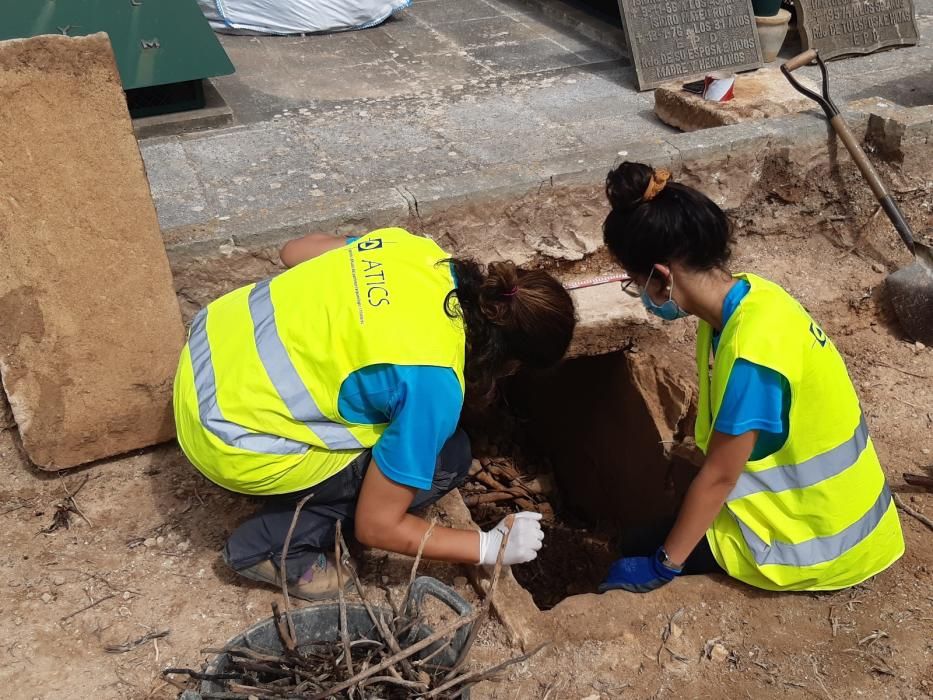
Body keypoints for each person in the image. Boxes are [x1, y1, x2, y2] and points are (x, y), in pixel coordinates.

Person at [173, 227, 576, 599]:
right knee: (449, 459)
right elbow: (376, 525)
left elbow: (293, 252)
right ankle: (274, 546)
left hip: (205, 359)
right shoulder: (432, 384)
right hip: (224, 439)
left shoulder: (416, 250)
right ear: (509, 363)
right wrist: (489, 546)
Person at [598, 163, 904, 594]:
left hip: (818, 544)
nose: (642, 296)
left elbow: (721, 476)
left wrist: (664, 566)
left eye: (635, 283)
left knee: (638, 547)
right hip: (834, 510)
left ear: (662, 277)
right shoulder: (752, 297)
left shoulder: (752, 355)